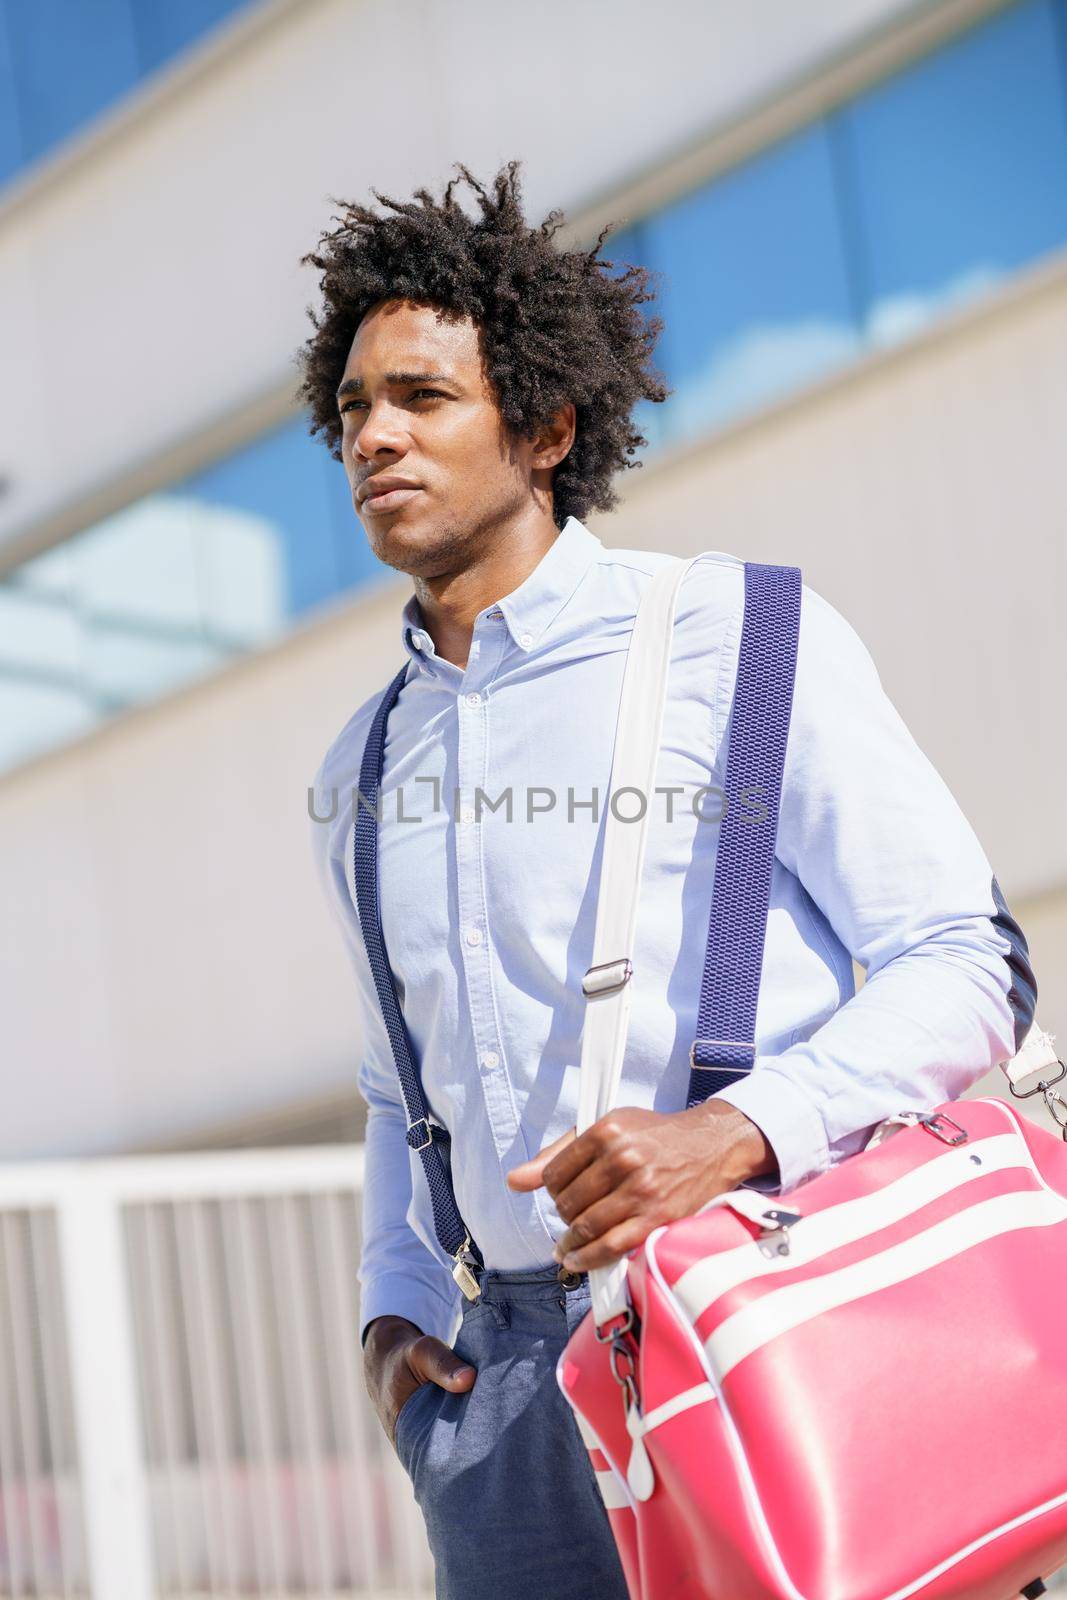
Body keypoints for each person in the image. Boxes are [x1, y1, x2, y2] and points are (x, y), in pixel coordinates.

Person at [300, 161, 1037, 1600]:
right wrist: (394, 1321)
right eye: (352, 412)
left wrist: (741, 1131)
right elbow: (401, 1089)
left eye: (422, 399)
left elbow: (970, 959)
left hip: (771, 1311)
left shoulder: (735, 636)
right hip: (498, 1399)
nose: (373, 438)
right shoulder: (367, 763)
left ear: (547, 428)